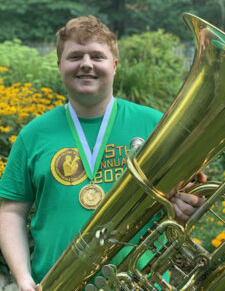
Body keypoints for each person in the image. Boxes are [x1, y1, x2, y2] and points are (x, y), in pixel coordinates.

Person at [0, 16, 206, 291]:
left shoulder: (157, 125)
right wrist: (24, 280)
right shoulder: (33, 134)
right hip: (53, 285)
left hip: (139, 285)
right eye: (75, 56)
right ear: (60, 65)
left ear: (115, 65)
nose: (86, 64)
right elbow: (11, 211)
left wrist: (185, 209)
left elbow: (190, 192)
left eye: (97, 56)